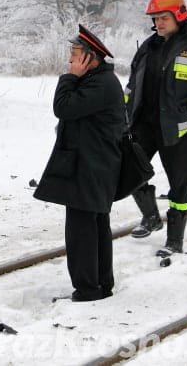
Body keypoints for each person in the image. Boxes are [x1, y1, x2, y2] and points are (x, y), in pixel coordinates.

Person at [34, 24, 125, 302]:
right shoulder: (97, 81)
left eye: (75, 55)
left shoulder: (100, 84)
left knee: (82, 232)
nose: (70, 60)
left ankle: (88, 290)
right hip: (90, 166)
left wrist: (69, 77)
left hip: (91, 168)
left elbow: (63, 107)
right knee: (93, 228)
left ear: (90, 58)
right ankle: (100, 285)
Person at [125, 0, 187, 256]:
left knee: (180, 184)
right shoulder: (147, 47)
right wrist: (126, 115)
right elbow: (132, 85)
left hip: (178, 128)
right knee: (128, 169)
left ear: (179, 16)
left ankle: (175, 239)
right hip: (143, 125)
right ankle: (150, 216)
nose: (159, 23)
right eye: (156, 18)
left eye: (164, 17)